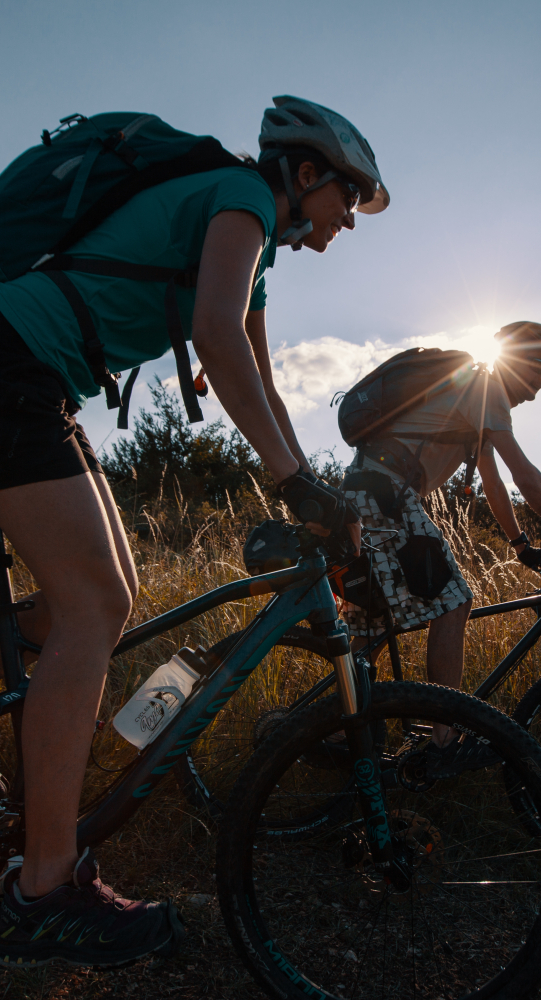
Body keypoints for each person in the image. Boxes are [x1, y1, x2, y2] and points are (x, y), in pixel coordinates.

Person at [0, 95, 381, 967]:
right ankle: (44, 892)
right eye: (348, 200)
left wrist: (309, 486)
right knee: (95, 602)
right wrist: (294, 486)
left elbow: (263, 380)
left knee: (94, 603)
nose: (346, 223)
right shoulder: (241, 199)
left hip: (34, 375)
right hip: (13, 361)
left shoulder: (249, 249)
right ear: (308, 173)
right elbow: (214, 337)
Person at [340, 321, 541, 770]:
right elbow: (525, 475)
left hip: (366, 492)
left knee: (371, 629)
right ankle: (444, 743)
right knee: (453, 605)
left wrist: (521, 546)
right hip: (386, 494)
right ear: (523, 362)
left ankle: (332, 728)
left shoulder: (473, 400)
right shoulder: (486, 389)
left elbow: (494, 481)